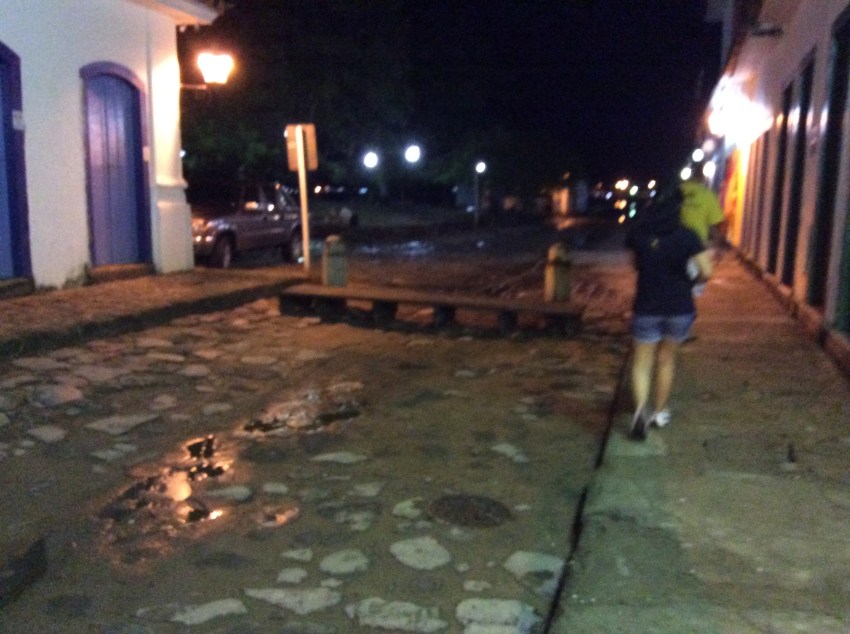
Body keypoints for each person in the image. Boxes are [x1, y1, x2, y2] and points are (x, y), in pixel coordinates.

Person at [626, 189, 713, 440]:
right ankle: (660, 413)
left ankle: (640, 413)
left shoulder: (638, 233)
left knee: (642, 362)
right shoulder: (687, 236)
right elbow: (707, 271)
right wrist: (692, 281)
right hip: (679, 307)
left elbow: (635, 265)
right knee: (666, 360)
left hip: (646, 305)